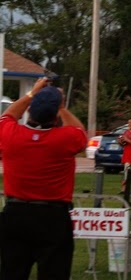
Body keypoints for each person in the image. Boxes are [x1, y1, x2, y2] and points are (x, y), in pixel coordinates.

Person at [0, 76, 87, 280]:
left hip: (16, 213)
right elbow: (80, 131)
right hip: (53, 217)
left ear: (30, 109)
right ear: (56, 114)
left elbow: (7, 116)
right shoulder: (65, 139)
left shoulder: (11, 135)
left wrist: (31, 93)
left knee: (11, 273)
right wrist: (63, 108)